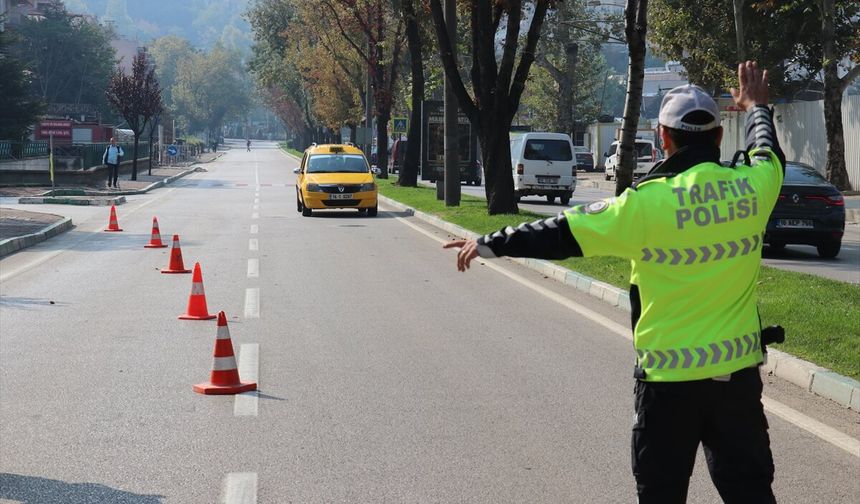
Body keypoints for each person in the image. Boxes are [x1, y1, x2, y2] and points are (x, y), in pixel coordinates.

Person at [444, 61, 785, 503]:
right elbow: (767, 150)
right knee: (751, 494)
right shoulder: (753, 189)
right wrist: (757, 106)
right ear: (719, 136)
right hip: (736, 384)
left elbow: (560, 233)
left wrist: (490, 243)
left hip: (668, 386)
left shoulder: (644, 205)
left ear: (664, 138)